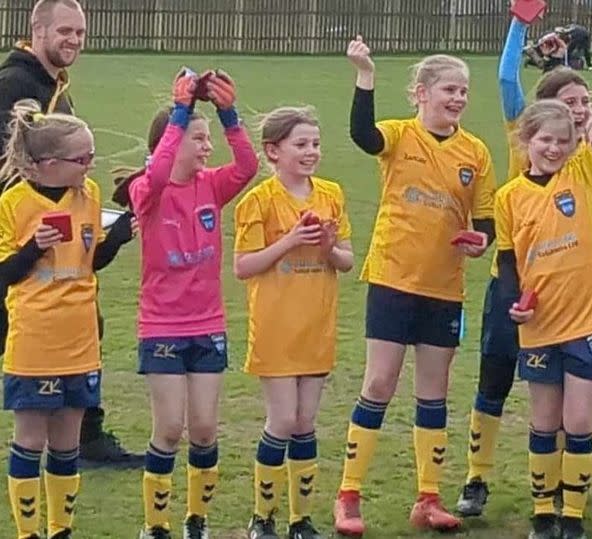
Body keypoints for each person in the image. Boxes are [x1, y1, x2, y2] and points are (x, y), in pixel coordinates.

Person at [332, 36, 496, 537]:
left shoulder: (476, 152)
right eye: (449, 88)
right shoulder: (400, 136)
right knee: (379, 384)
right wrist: (365, 76)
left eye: (464, 91)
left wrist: (479, 240)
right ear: (420, 93)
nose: (459, 98)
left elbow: (486, 219)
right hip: (392, 277)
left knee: (434, 391)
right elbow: (362, 134)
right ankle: (348, 495)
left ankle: (428, 498)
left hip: (444, 287)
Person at [495, 26, 592, 535]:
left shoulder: (580, 172)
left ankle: (572, 516)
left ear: (575, 144)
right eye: (544, 141)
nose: (553, 149)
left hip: (585, 321)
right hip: (539, 325)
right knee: (543, 424)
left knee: (579, 424)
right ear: (526, 141)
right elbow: (509, 261)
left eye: (562, 141)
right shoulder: (510, 196)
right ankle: (542, 513)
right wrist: (514, 304)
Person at [113, 70, 258, 539]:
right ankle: (156, 526)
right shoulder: (147, 192)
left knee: (204, 430)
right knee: (169, 428)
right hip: (161, 326)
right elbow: (155, 172)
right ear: (172, 143)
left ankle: (197, 521)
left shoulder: (211, 186)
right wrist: (179, 113)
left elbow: (248, 166)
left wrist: (230, 115)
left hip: (207, 324)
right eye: (200, 139)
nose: (207, 148)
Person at [0, 0, 143, 469]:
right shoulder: (16, 86)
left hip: (60, 240)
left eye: (80, 33)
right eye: (65, 31)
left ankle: (84, 435)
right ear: (36, 30)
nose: (74, 41)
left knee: (84, 321)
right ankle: (74, 437)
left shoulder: (52, 86)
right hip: (20, 236)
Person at [1, 99, 135, 539]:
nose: (91, 165)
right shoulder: (13, 203)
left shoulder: (90, 195)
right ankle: (28, 533)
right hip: (34, 340)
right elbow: (4, 274)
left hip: (80, 339)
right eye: (84, 158)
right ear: (50, 164)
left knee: (66, 442)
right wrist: (33, 247)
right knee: (31, 439)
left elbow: (88, 261)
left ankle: (61, 530)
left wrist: (116, 239)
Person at [234, 106, 354, 539]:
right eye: (300, 144)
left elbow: (346, 260)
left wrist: (326, 246)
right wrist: (289, 241)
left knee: (305, 422)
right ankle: (261, 516)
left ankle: (300, 519)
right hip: (276, 327)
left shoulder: (331, 194)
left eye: (316, 144)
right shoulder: (259, 201)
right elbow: (244, 266)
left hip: (316, 325)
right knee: (282, 420)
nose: (311, 152)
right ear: (273, 151)